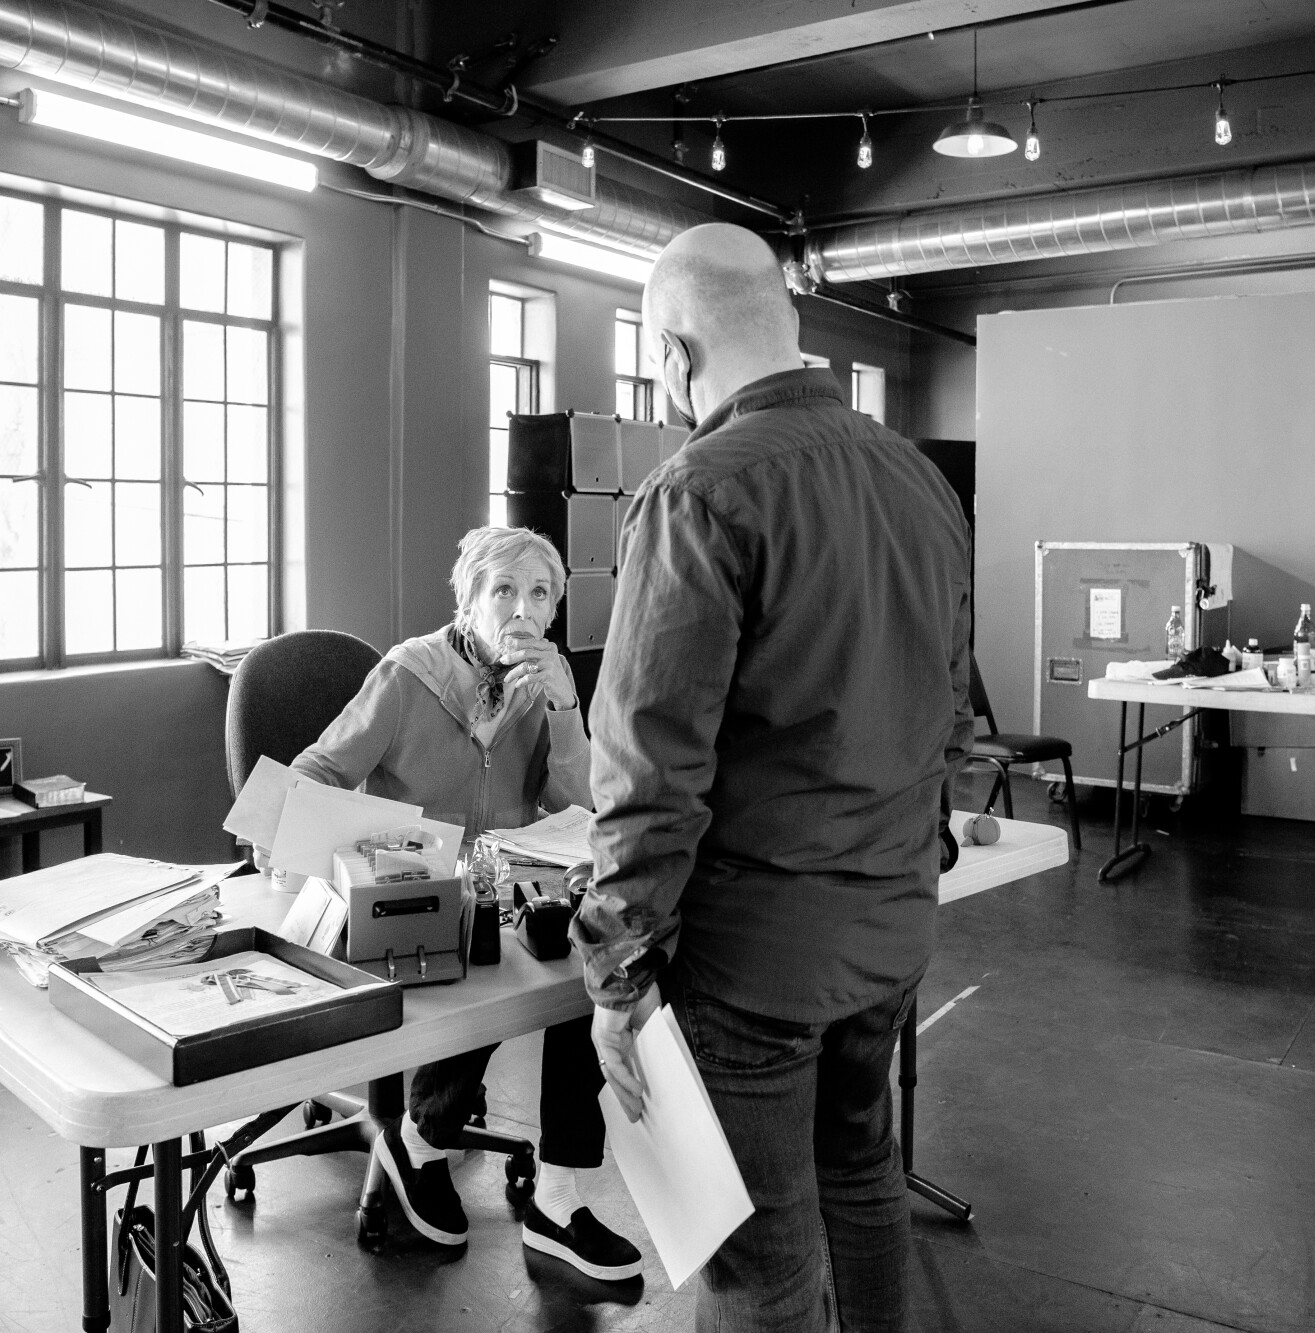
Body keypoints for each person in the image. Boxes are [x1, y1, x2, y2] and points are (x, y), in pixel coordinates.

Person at [573, 224, 974, 1331]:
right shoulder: (918, 480)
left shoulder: (696, 491)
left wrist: (615, 968)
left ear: (673, 351)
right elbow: (944, 703)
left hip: (754, 959)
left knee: (758, 1259)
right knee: (861, 1178)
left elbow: (651, 766)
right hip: (888, 934)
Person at [266, 525, 642, 1282]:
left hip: (497, 892)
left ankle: (559, 1196)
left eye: (539, 594)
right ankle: (423, 1135)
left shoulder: (542, 691)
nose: (521, 610)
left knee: (588, 959)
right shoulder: (410, 674)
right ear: (468, 599)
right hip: (403, 903)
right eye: (502, 590)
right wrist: (285, 828)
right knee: (474, 956)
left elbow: (585, 805)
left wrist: (568, 710)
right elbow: (318, 769)